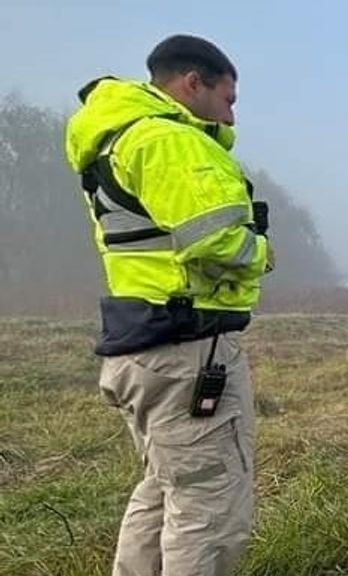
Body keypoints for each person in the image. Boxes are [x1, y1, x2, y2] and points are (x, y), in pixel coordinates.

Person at [65, 34, 272, 575]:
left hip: (142, 345)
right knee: (209, 509)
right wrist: (263, 252)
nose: (231, 112)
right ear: (192, 83)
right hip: (187, 351)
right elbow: (217, 241)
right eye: (228, 99)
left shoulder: (115, 140)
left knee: (164, 489)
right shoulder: (168, 141)